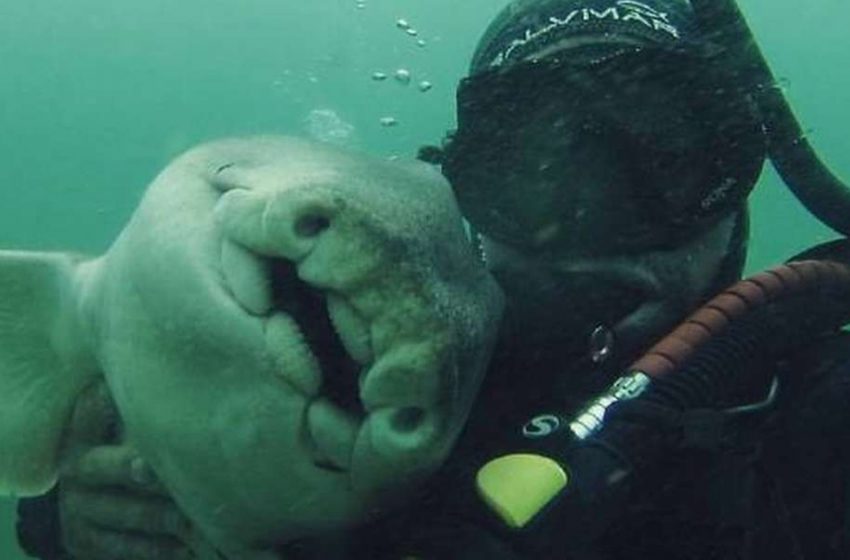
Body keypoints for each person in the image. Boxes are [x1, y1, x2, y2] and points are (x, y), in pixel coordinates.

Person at [17, 0, 850, 558]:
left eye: (672, 156)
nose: (605, 219)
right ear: (468, 185)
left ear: (735, 205)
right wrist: (93, 507)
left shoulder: (813, 398)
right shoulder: (367, 360)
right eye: (545, 161)